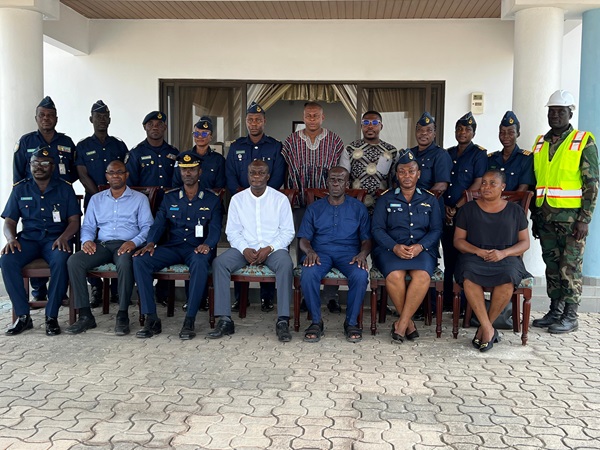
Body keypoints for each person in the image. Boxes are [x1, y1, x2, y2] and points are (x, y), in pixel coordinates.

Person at [133, 153, 222, 340]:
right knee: (141, 260)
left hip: (197, 248)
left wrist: (207, 245)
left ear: (200, 172)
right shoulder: (169, 197)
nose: (188, 173)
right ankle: (151, 318)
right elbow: (158, 225)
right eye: (184, 169)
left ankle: (189, 319)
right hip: (172, 248)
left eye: (192, 169)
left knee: (200, 262)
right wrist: (150, 243)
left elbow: (215, 229)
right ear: (180, 172)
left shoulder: (212, 199)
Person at [531, 90, 599, 334]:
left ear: (571, 113)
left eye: (561, 111)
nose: (555, 115)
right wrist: (535, 216)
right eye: (552, 111)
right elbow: (537, 182)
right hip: (545, 217)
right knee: (551, 265)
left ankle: (571, 315)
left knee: (569, 267)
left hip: (572, 221)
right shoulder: (540, 142)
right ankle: (555, 310)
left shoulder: (583, 141)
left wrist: (584, 219)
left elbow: (592, 183)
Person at [207, 160, 295, 342]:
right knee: (220, 263)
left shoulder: (280, 199)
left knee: (286, 264)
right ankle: (225, 320)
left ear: (268, 176)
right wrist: (244, 248)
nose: (256, 177)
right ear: (247, 176)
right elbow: (232, 231)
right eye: (252, 173)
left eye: (261, 173)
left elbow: (288, 232)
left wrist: (269, 248)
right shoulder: (237, 200)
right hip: (244, 248)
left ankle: (283, 320)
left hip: (273, 249)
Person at [65, 160, 154, 336]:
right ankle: (85, 315)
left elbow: (147, 227)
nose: (115, 176)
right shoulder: (96, 199)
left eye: (119, 172)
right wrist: (87, 241)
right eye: (111, 173)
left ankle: (122, 314)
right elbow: (88, 226)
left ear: (126, 175)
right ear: (107, 176)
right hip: (102, 245)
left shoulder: (139, 199)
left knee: (125, 263)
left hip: (126, 244)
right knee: (74, 261)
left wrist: (134, 242)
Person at [1, 148, 81, 336]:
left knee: (61, 260)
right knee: (7, 260)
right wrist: (11, 239)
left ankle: (51, 316)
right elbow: (9, 221)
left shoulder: (65, 188)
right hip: (28, 240)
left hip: (55, 240)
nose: (39, 167)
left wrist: (64, 237)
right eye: (35, 163)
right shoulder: (20, 189)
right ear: (30, 166)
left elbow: (74, 221)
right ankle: (23, 316)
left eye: (44, 163)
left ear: (53, 166)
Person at [454, 170, 531, 351]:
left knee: (508, 277)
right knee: (468, 276)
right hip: (474, 256)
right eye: (484, 183)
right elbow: (458, 241)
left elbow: (525, 243)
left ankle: (484, 328)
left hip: (507, 258)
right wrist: (478, 251)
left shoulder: (515, 211)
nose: (486, 187)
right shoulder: (467, 209)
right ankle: (489, 329)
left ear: (503, 187)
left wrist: (504, 253)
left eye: (492, 183)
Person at [371, 150, 442, 343]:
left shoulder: (429, 199)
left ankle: (401, 324)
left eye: (411, 171)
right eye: (402, 172)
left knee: (422, 276)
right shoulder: (385, 198)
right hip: (390, 250)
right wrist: (394, 247)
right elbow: (377, 229)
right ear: (397, 175)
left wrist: (420, 246)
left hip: (422, 251)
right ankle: (409, 324)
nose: (407, 176)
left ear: (418, 174)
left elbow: (436, 230)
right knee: (395, 275)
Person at [12, 96, 78, 303]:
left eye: (50, 115)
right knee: (34, 236)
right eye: (42, 115)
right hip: (33, 198)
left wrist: (61, 189)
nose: (46, 118)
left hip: (60, 198)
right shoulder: (26, 141)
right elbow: (18, 174)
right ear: (36, 118)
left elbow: (74, 171)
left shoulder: (66, 142)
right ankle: (38, 290)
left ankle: (58, 292)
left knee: (58, 243)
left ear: (56, 119)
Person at [282, 101, 344, 312]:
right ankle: (306, 296)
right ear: (303, 117)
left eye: (315, 115)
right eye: (308, 115)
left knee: (330, 244)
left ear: (322, 117)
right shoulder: (291, 141)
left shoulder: (335, 140)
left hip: (329, 204)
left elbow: (341, 172)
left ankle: (331, 296)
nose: (312, 119)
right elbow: (284, 171)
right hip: (300, 202)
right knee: (303, 245)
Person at [298, 166, 371, 343]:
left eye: (340, 180)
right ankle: (316, 322)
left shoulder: (358, 208)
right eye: (332, 180)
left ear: (347, 184)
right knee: (308, 273)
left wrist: (363, 254)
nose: (336, 183)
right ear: (327, 182)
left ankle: (351, 323)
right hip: (320, 253)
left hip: (349, 254)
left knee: (360, 275)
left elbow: (367, 239)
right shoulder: (314, 208)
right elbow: (304, 238)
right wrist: (310, 251)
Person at [225, 102, 286, 312]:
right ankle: (240, 298)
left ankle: (267, 298)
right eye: (250, 120)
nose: (254, 123)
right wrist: (243, 196)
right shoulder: (236, 146)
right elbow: (230, 173)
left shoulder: (275, 146)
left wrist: (264, 195)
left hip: (267, 202)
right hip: (243, 204)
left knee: (265, 241)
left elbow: (278, 174)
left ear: (264, 122)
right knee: (243, 244)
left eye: (258, 120)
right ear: (246, 122)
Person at [75, 100, 129, 306]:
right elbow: (82, 174)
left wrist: (114, 194)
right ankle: (96, 288)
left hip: (119, 200)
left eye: (105, 117)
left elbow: (124, 172)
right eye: (98, 117)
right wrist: (101, 195)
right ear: (91, 119)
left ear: (110, 119)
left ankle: (116, 290)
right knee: (95, 242)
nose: (102, 120)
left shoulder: (119, 145)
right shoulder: (83, 146)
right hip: (94, 200)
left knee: (116, 241)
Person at [126, 110, 179, 307]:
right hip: (144, 210)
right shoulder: (136, 153)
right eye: (151, 124)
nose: (155, 127)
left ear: (165, 127)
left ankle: (163, 293)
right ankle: (143, 292)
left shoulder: (174, 153)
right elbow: (131, 186)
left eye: (159, 124)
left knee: (166, 247)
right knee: (142, 250)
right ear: (145, 127)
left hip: (169, 211)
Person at [442, 112, 487, 310]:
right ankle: (447, 301)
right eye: (459, 129)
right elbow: (442, 181)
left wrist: (457, 207)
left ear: (473, 133)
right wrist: (445, 206)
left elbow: (478, 184)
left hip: (466, 213)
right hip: (445, 212)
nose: (462, 132)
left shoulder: (479, 154)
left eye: (467, 129)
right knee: (448, 257)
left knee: (465, 258)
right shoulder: (448, 153)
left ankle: (463, 304)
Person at [339, 110, 398, 211]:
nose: (370, 126)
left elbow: (395, 180)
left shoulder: (391, 151)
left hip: (382, 205)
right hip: (355, 205)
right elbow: (343, 178)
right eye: (366, 122)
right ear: (361, 126)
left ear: (381, 126)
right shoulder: (350, 149)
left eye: (375, 123)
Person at [172, 116, 226, 191]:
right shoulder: (183, 157)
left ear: (211, 137)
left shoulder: (218, 160)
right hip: (185, 198)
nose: (200, 136)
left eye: (204, 134)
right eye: (196, 134)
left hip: (210, 198)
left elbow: (219, 187)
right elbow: (176, 184)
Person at [487, 111, 534, 191]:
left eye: (511, 132)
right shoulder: (491, 159)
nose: (506, 136)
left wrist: (504, 200)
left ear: (518, 134)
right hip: (492, 199)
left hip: (515, 199)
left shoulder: (526, 158)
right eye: (502, 132)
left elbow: (523, 189)